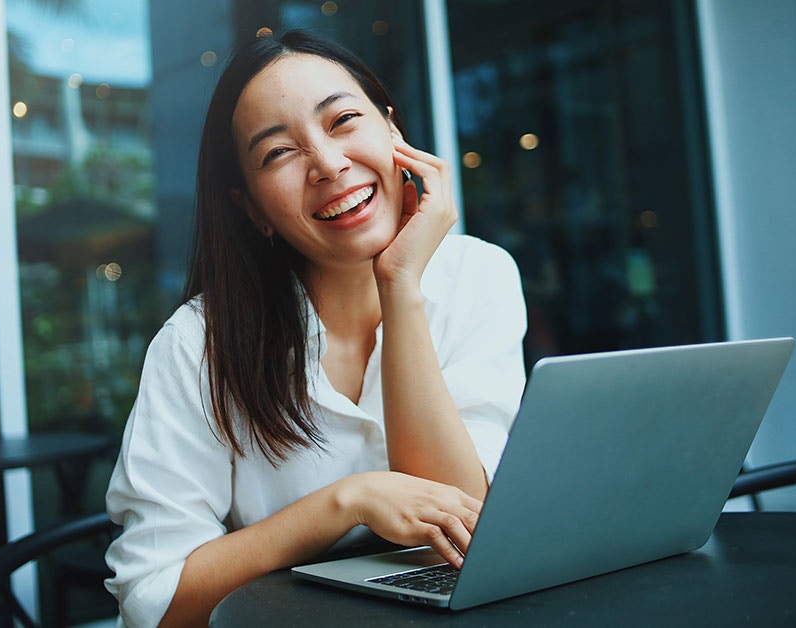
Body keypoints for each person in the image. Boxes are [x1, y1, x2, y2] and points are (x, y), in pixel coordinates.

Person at [104, 29, 527, 627]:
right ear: (251, 209)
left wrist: (400, 286)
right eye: (278, 153)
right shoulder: (199, 344)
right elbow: (155, 601)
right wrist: (341, 504)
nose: (328, 164)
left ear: (392, 131)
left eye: (344, 121)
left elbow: (458, 528)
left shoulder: (478, 275)